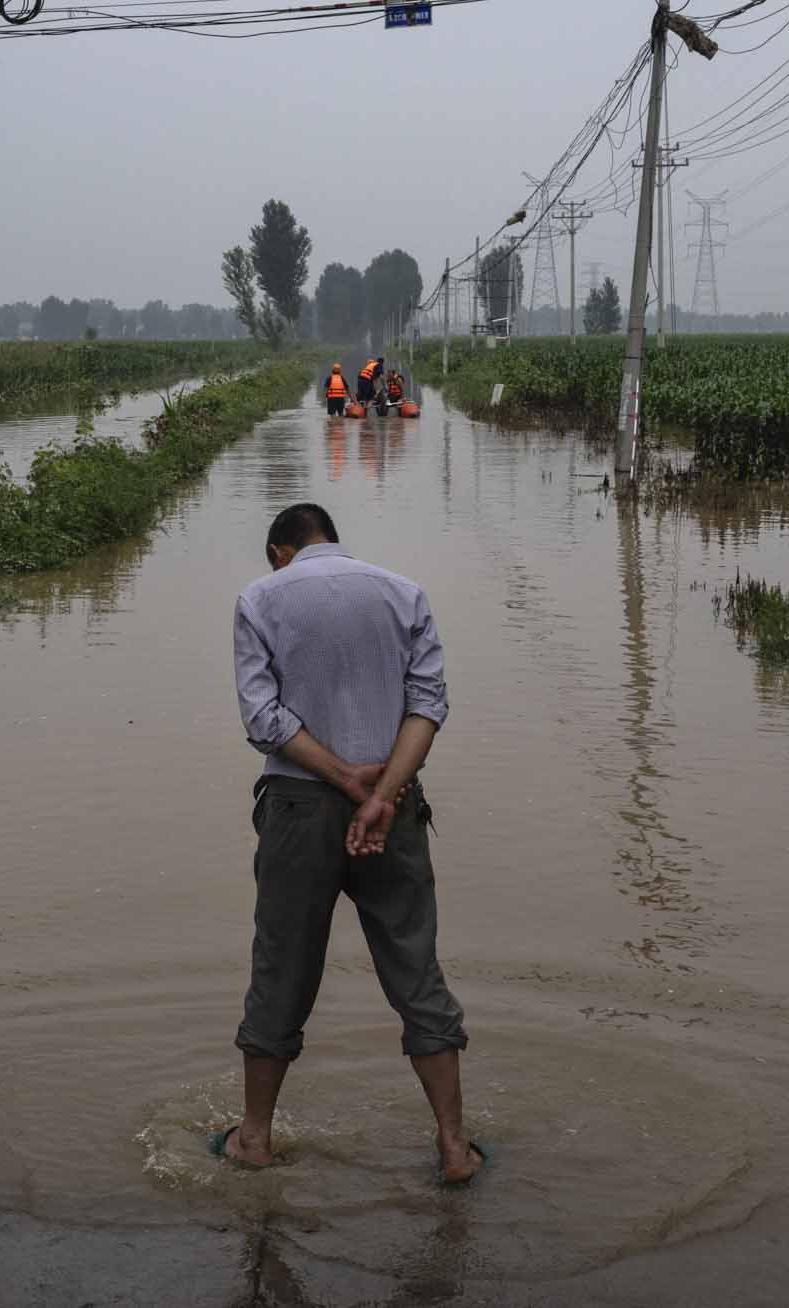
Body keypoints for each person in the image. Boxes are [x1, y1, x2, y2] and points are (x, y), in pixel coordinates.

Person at [222, 503, 480, 1184]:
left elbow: (264, 716)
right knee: (414, 967)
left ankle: (253, 1139)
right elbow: (429, 703)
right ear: (329, 539)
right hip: (393, 810)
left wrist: (342, 779)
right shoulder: (404, 593)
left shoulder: (260, 598)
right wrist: (383, 793)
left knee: (282, 969)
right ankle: (455, 1148)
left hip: (301, 810)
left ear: (281, 551)